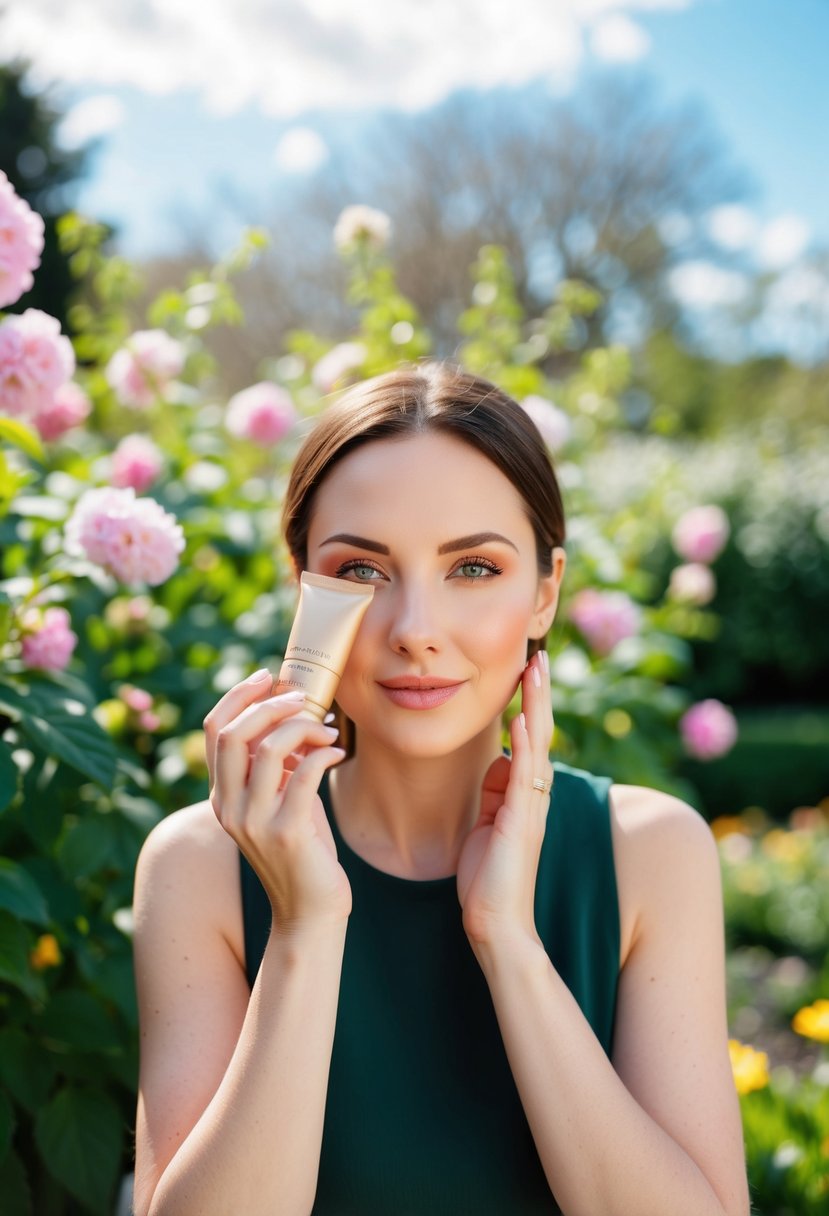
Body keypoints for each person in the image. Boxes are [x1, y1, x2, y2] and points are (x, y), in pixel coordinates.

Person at [132, 361, 750, 1216]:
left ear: (545, 591)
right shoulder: (200, 864)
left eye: (472, 569)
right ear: (300, 587)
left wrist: (508, 942)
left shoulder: (648, 854)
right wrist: (305, 928)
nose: (416, 631)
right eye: (360, 571)